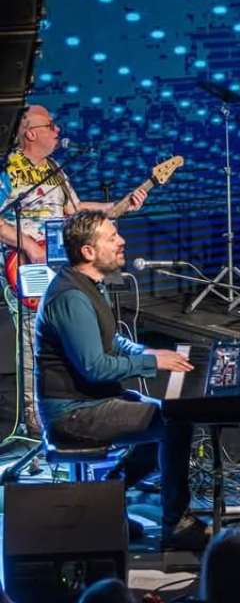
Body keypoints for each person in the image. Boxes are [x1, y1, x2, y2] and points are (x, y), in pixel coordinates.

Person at [34, 211, 205, 550]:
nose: (122, 241)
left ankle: (106, 501)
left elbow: (111, 340)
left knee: (167, 418)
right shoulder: (71, 297)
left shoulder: (88, 285)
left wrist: (145, 351)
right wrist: (150, 362)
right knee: (174, 423)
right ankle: (177, 525)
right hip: (73, 413)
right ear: (88, 251)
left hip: (88, 402)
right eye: (112, 238)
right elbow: (95, 368)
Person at [1, 105, 147, 435]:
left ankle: (78, 400)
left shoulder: (54, 169)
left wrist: (117, 207)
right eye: (50, 125)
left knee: (69, 330)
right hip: (25, 263)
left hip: (58, 262)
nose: (58, 130)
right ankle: (34, 412)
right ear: (30, 133)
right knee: (32, 333)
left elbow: (74, 209)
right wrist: (28, 244)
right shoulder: (8, 167)